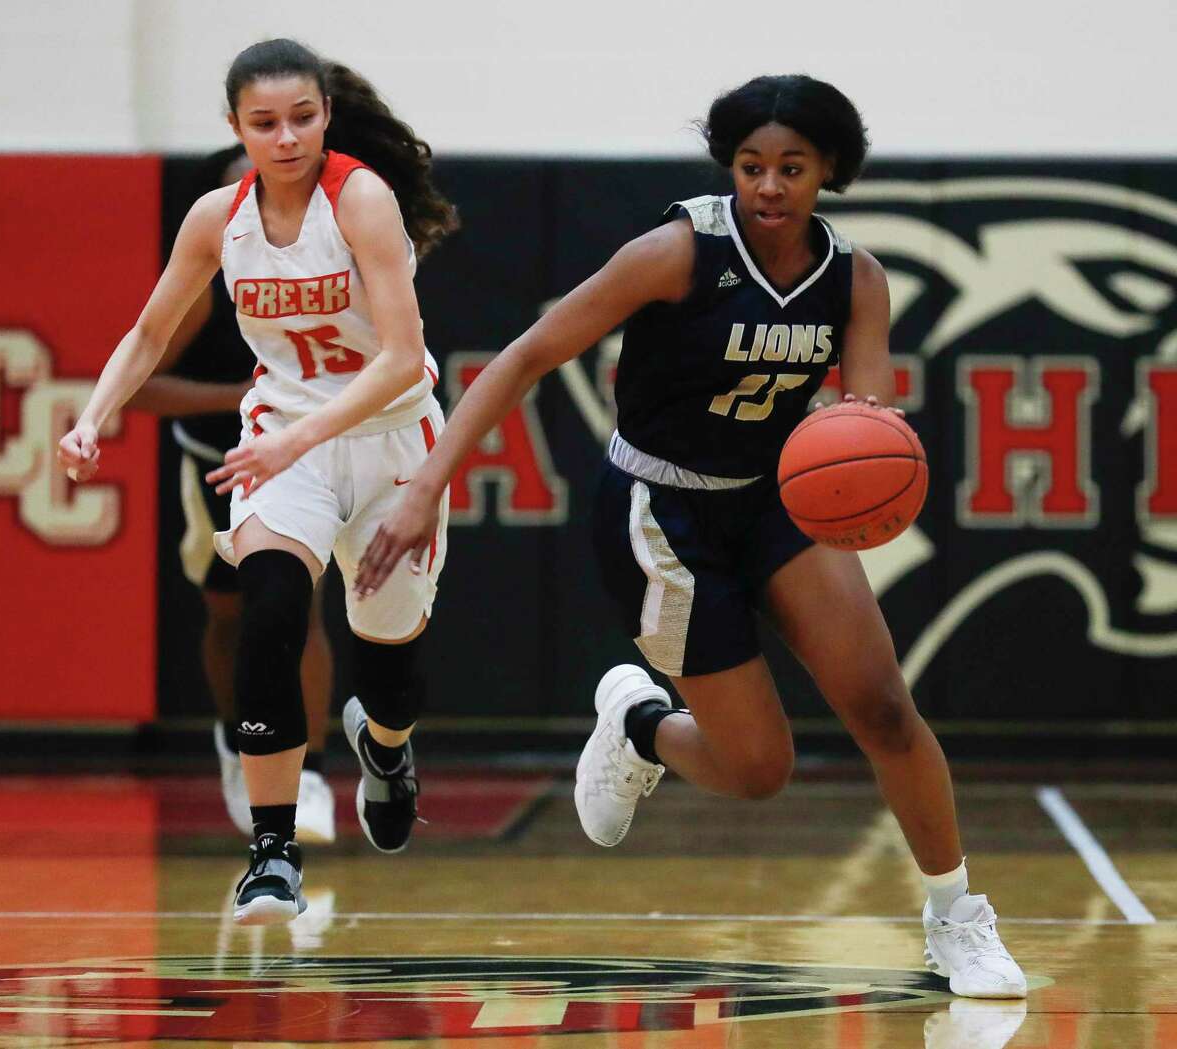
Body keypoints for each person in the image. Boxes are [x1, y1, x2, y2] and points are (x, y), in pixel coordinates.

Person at [354, 75, 1027, 999]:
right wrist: (428, 484)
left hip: (777, 498)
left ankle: (957, 915)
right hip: (658, 511)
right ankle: (639, 722)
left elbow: (871, 416)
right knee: (759, 771)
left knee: (880, 705)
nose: (770, 186)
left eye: (792, 167)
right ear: (731, 168)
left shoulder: (855, 277)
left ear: (830, 169)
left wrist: (873, 458)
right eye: (752, 166)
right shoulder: (678, 251)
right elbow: (527, 355)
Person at [58, 38, 457, 925]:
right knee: (269, 610)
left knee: (387, 657)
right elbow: (149, 332)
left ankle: (387, 751)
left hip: (392, 443)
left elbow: (399, 361)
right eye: (265, 122)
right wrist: (93, 415)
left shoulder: (361, 199)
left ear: (326, 117)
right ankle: (270, 852)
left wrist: (300, 436)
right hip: (286, 443)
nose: (286, 138)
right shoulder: (215, 218)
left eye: (303, 118)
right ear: (235, 126)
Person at [126, 144, 335, 845]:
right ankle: (234, 737)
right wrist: (244, 395)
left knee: (299, 612)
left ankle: (308, 771)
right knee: (227, 616)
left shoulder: (330, 265)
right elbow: (140, 383)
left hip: (302, 461)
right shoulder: (207, 281)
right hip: (218, 463)